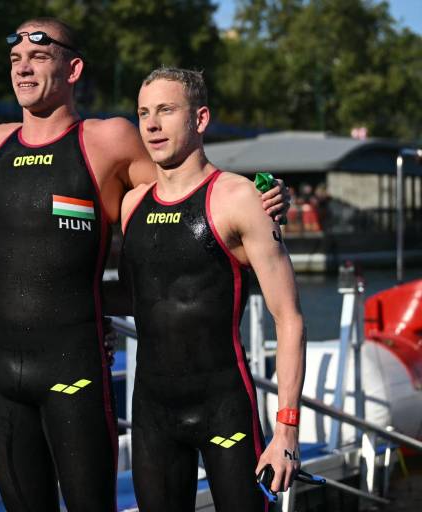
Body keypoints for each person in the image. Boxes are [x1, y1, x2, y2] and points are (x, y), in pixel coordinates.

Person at [0, 19, 289, 511]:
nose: (23, 66)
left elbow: (186, 196)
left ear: (73, 68)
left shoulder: (108, 141)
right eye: (15, 58)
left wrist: (264, 198)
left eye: (38, 56)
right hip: (1, 371)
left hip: (74, 365)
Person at [119, 67, 305, 511]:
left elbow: (289, 318)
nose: (152, 124)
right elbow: (136, 294)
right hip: (151, 413)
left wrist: (287, 431)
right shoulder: (131, 204)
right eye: (144, 112)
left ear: (200, 119)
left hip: (224, 406)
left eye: (166, 110)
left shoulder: (240, 198)